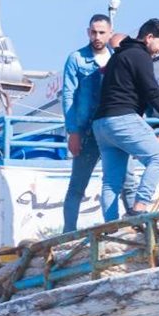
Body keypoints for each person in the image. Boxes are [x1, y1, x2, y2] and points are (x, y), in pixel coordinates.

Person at [92, 19, 159, 221]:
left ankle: (110, 226)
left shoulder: (119, 55)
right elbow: (153, 93)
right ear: (149, 38)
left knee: (111, 182)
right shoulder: (140, 55)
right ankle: (138, 208)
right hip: (122, 118)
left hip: (101, 124)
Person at [61, 14, 113, 233]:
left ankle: (118, 230)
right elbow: (68, 95)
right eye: (93, 32)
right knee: (77, 186)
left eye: (101, 32)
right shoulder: (76, 58)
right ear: (87, 32)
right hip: (86, 133)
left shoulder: (117, 58)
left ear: (110, 33)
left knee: (120, 182)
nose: (97, 36)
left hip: (112, 131)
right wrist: (73, 131)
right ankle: (68, 234)